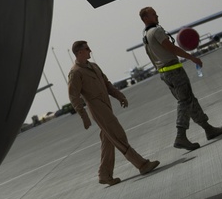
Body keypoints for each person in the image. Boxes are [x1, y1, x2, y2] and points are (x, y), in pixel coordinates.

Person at [68, 40, 160, 186]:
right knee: (118, 134)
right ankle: (142, 164)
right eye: (87, 49)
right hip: (97, 108)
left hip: (106, 105)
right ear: (79, 52)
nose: (90, 50)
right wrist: (83, 116)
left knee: (108, 140)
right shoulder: (75, 73)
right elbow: (74, 96)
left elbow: (107, 84)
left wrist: (119, 95)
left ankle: (104, 174)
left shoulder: (94, 66)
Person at [139, 7, 222, 151]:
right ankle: (181, 136)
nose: (157, 15)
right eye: (153, 14)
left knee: (189, 100)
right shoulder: (157, 31)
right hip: (173, 70)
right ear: (145, 19)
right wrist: (192, 58)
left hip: (165, 73)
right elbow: (172, 48)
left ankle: (208, 128)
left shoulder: (145, 36)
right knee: (185, 101)